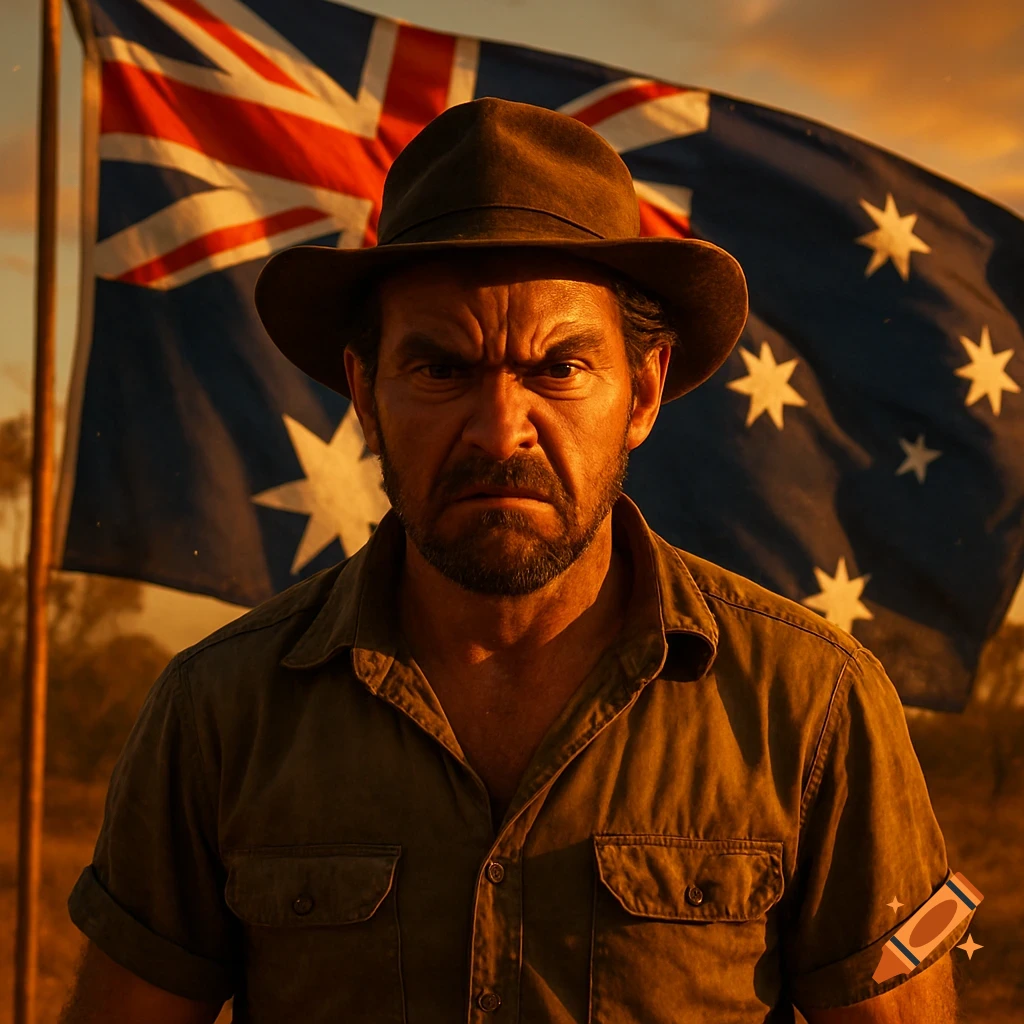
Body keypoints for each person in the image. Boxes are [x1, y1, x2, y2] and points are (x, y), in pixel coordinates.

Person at [60, 98, 965, 1024]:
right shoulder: (220, 713)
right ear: (367, 396)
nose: (500, 431)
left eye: (558, 369)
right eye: (442, 370)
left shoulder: (812, 707)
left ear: (642, 393)